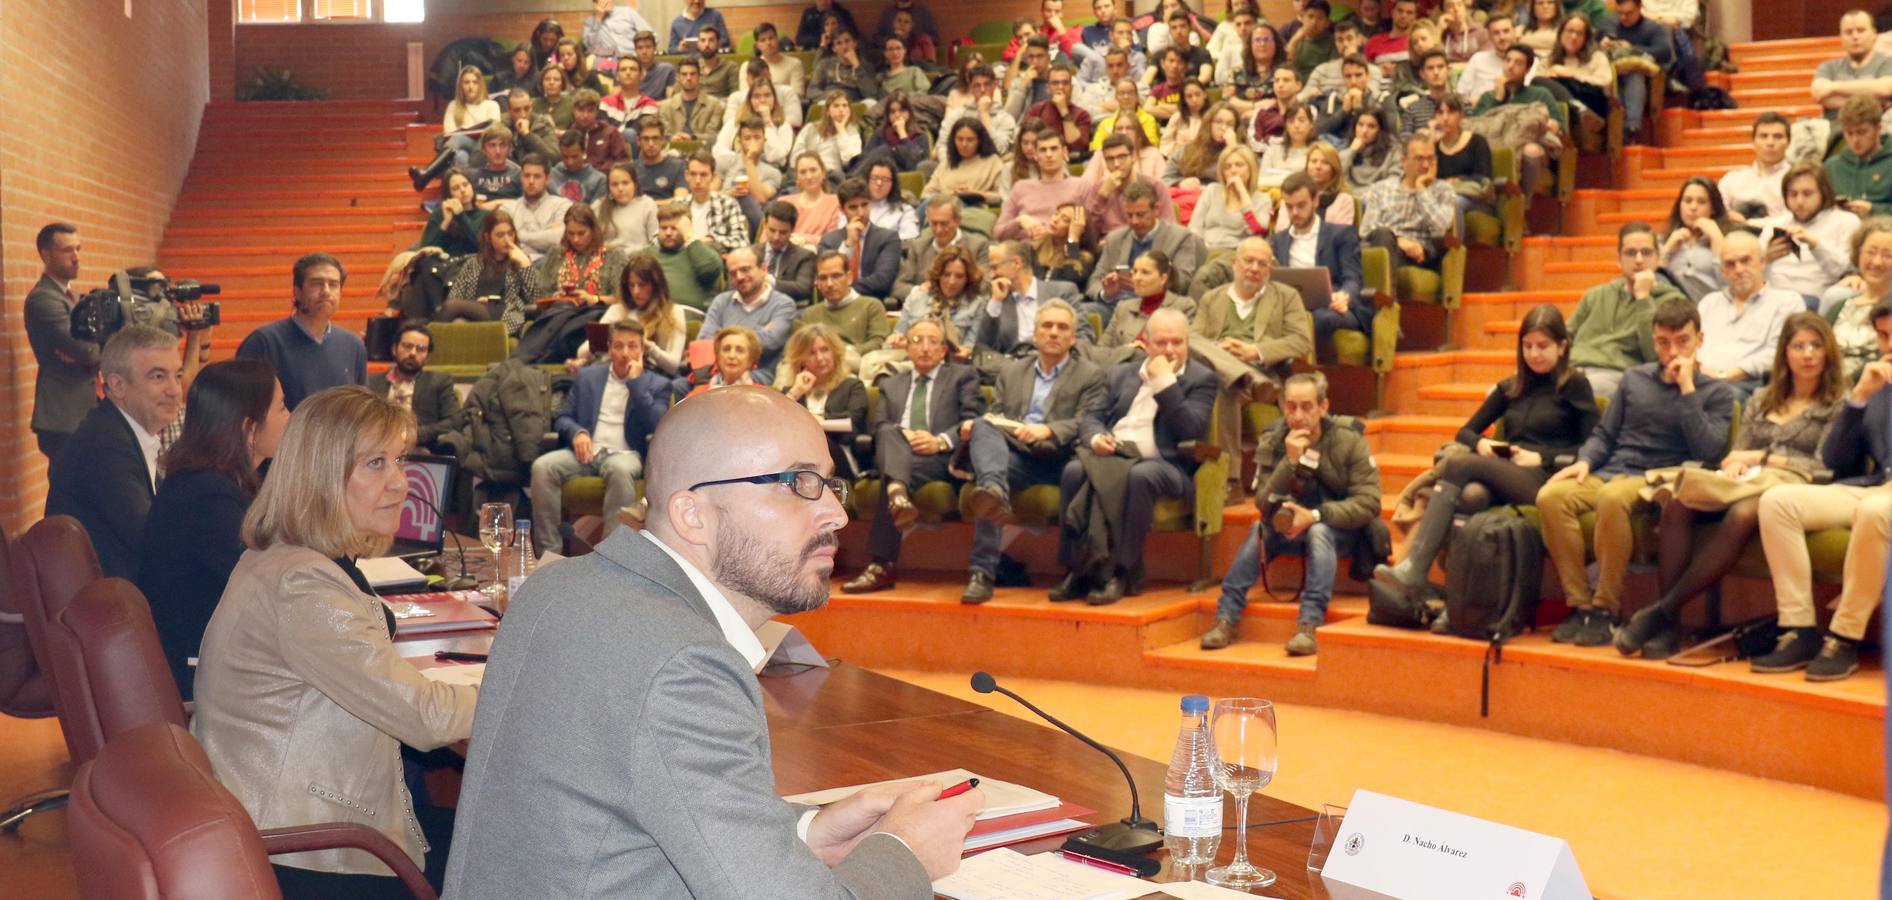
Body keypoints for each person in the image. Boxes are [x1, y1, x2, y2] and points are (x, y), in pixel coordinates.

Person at [451, 384, 987, 898]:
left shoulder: (558, 586)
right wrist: (905, 851)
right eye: (799, 483)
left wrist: (806, 832)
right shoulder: (684, 662)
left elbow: (627, 818)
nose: (837, 514)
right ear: (692, 514)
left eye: (830, 484)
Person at [192, 386, 479, 898]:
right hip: (310, 852)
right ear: (321, 477)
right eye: (374, 463)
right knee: (522, 851)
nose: (400, 481)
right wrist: (521, 686)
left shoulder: (284, 556)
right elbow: (428, 720)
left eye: (399, 460)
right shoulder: (303, 586)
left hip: (300, 821)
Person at [1618, 313, 1848, 659]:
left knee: (1741, 515)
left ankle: (1661, 612)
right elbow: (1736, 452)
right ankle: (1670, 625)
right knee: (1679, 502)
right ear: (1785, 352)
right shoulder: (1762, 398)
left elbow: (1824, 465)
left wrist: (1766, 459)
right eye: (1798, 346)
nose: (1808, 354)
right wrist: (1738, 461)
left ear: (1828, 351)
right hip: (1747, 479)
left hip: (1796, 485)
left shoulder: (1838, 403)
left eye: (1816, 346)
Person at [1536, 298, 1737, 646]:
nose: (1672, 350)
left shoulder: (1715, 392)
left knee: (1612, 498)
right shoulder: (1633, 378)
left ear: (1700, 339)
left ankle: (1605, 608)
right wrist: (1584, 461)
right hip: (1612, 468)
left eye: (1682, 341)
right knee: (1551, 496)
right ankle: (1579, 604)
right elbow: (1605, 434)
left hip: (1660, 478)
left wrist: (1687, 388)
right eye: (1663, 341)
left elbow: (1710, 450)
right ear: (1653, 339)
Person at [1372, 304, 1599, 601]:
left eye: (1543, 346)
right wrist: (1483, 445)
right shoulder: (1512, 386)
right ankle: (1462, 600)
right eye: (1527, 346)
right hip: (1507, 472)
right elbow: (1465, 432)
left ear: (1562, 346)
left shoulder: (1574, 385)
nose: (1534, 354)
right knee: (1470, 497)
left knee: (1457, 465)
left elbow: (1593, 446)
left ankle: (1415, 568)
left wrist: (1541, 458)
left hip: (1548, 477)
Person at [1753, 303, 1892, 681]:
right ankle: (1798, 629)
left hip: (1881, 503)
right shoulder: (1879, 384)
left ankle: (1844, 636)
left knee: (1875, 511)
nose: (1888, 346)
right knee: (1778, 502)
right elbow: (1834, 460)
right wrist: (1859, 399)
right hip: (1874, 487)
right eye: (1882, 336)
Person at [135, 359, 287, 701]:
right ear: (250, 429)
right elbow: (271, 590)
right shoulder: (207, 498)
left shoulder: (211, 484)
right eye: (281, 408)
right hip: (201, 683)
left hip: (217, 664)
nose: (290, 418)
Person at [1205, 371, 1380, 654]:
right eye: (1291, 406)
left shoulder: (1349, 440)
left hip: (1336, 531)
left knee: (1320, 532)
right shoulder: (1274, 441)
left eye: (1307, 406)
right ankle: (1226, 617)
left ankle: (1309, 623)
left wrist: (1314, 516)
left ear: (1323, 407)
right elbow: (1262, 504)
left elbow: (1369, 502)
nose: (1298, 415)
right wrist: (1290, 461)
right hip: (1287, 527)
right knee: (1257, 529)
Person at [1051, 309, 1216, 604]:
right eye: (1161, 343)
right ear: (1146, 344)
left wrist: (1166, 383)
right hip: (1114, 454)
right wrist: (1096, 438)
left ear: (1187, 343)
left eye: (1177, 342)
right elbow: (1092, 417)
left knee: (1139, 475)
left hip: (1166, 465)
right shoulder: (1120, 373)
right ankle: (1077, 568)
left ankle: (1122, 571)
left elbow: (1189, 428)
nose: (1169, 350)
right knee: (1074, 471)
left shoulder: (1201, 379)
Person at [958, 302, 1107, 604]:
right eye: (1047, 326)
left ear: (1074, 338)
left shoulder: (1091, 375)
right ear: (1035, 334)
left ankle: (993, 487)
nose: (1053, 332)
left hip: (1060, 457)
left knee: (991, 474)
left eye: (1062, 327)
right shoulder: (1012, 372)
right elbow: (997, 414)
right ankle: (982, 573)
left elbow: (1088, 421)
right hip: (1016, 454)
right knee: (982, 427)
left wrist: (1049, 430)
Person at [841, 318, 983, 593]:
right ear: (907, 347)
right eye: (918, 340)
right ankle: (898, 493)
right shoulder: (891, 384)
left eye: (933, 341)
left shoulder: (962, 376)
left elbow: (973, 421)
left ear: (944, 350)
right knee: (888, 432)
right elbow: (880, 426)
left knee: (892, 472)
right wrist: (903, 436)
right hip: (900, 454)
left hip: (942, 459)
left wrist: (940, 441)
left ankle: (882, 563)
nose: (925, 347)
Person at [529, 320, 679, 553]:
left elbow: (658, 424)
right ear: (609, 348)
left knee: (620, 471)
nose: (625, 353)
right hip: (586, 452)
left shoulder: (659, 384)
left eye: (632, 347)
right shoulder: (588, 377)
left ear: (642, 350)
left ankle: (610, 557)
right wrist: (577, 433)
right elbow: (563, 417)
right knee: (542, 467)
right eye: (618, 346)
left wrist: (636, 384)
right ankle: (549, 554)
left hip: (626, 453)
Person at [45, 325, 180, 581]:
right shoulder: (104, 446)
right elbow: (153, 539)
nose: (174, 390)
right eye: (158, 377)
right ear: (117, 385)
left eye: (178, 375)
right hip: (106, 608)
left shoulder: (119, 431)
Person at [1190, 236, 1316, 455]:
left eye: (1262, 264)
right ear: (1234, 263)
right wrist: (1219, 351)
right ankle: (1238, 375)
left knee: (1220, 384)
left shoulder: (1287, 296)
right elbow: (1195, 341)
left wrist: (1255, 352)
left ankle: (1230, 479)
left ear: (1270, 270)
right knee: (1185, 337)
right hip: (1224, 373)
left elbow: (1301, 341)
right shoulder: (1212, 298)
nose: (1254, 268)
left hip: (1262, 373)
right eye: (1248, 261)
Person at [1566, 222, 1685, 400]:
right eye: (1630, 253)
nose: (1638, 260)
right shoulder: (1596, 295)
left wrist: (1643, 298)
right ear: (1619, 259)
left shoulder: (1671, 301)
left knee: (1577, 391)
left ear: (1658, 258)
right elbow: (1564, 337)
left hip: (1618, 376)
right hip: (1574, 369)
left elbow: (1655, 356)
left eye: (1646, 252)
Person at [235, 253, 366, 410]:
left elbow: (361, 412)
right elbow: (242, 409)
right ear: (297, 291)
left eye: (333, 284)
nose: (326, 291)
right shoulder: (263, 342)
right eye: (317, 284)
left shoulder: (353, 345)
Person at [1695, 232, 1806, 398]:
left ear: (1762, 263)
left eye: (1745, 261)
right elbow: (1692, 345)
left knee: (1717, 396)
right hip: (1701, 381)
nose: (1739, 270)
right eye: (1730, 264)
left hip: (1751, 385)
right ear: (1723, 271)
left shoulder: (1787, 302)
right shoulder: (1708, 303)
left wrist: (1724, 376)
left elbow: (1778, 353)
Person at [24, 223, 98, 458]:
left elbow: (90, 348)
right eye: (67, 250)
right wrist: (91, 351)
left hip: (85, 408)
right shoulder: (43, 299)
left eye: (78, 249)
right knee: (68, 488)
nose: (76, 257)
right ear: (46, 255)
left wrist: (92, 347)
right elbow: (87, 351)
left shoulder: (75, 298)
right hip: (63, 414)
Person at [864, 245, 988, 383]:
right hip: (910, 357)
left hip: (947, 366)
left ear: (968, 278)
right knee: (870, 364)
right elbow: (896, 336)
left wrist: (962, 352)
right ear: (938, 275)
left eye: (959, 276)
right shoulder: (918, 296)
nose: (951, 282)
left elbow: (970, 348)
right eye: (946, 274)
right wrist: (896, 341)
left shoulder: (977, 305)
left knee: (887, 374)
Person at [1271, 173, 1367, 350]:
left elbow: (1353, 278)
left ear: (1315, 201)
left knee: (1322, 317)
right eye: (1289, 207)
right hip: (1291, 308)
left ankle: (1303, 367)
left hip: (1333, 307)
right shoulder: (1278, 240)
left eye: (1301, 205)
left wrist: (1344, 296)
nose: (1295, 213)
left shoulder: (1341, 234)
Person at [778, 324, 871, 478]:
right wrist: (796, 391)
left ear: (835, 352)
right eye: (811, 353)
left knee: (815, 440)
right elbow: (776, 423)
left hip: (840, 457)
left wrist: (816, 422)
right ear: (800, 359)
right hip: (796, 461)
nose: (820, 358)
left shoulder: (851, 386)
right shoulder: (793, 391)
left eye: (825, 350)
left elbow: (853, 422)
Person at [1088, 182, 1204, 306]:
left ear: (1156, 209)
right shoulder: (1115, 239)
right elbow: (1094, 280)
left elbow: (1183, 282)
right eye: (1129, 215)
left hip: (1159, 305)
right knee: (1083, 313)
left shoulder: (1180, 237)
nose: (1134, 221)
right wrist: (1106, 293)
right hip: (1116, 303)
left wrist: (1152, 282)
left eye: (1140, 215)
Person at [1474, 45, 1566, 194]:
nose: (1510, 66)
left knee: (1531, 150)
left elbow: (1559, 126)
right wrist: (1498, 99)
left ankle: (1523, 203)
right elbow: (1476, 128)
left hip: (1528, 146)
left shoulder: (1540, 94)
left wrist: (1545, 124)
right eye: (1508, 61)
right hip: (1495, 146)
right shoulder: (1488, 97)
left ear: (1527, 70)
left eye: (1518, 63)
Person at [1765, 161, 1862, 302]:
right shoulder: (1776, 224)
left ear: (1823, 193)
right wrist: (1765, 258)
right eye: (1793, 194)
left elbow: (1849, 270)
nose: (1799, 201)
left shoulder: (1846, 221)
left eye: (1807, 194)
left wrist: (1816, 246)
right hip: (1773, 297)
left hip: (1814, 301)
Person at [579, 254, 691, 376]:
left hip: (653, 376)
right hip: (613, 372)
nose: (636, 291)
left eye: (642, 285)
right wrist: (605, 339)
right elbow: (581, 352)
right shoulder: (618, 310)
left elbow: (673, 365)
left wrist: (650, 349)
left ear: (655, 285)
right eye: (631, 285)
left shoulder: (674, 312)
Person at [976, 241, 1090, 359]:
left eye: (995, 267)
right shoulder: (996, 300)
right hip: (1013, 368)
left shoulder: (1062, 292)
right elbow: (985, 348)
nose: (991, 275)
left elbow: (1083, 336)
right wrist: (996, 302)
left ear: (1016, 263)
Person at [1357, 135, 1456, 269]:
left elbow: (1442, 226)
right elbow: (1365, 230)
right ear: (1403, 161)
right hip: (1386, 246)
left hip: (1419, 257)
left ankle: (1383, 288)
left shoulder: (1443, 190)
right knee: (1382, 235)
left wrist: (1421, 190)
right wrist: (1399, 240)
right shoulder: (1381, 189)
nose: (1426, 165)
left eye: (1431, 158)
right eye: (1419, 159)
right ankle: (1384, 288)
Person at [432, 211, 537, 335]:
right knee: (458, 324)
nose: (507, 240)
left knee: (451, 306)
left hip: (504, 313)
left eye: (510, 234)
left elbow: (535, 299)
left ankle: (429, 342)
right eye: (500, 235)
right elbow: (455, 295)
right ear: (488, 237)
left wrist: (525, 264)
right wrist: (474, 303)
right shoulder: (474, 263)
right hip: (474, 311)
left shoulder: (520, 261)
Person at [702, 246, 798, 373]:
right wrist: (760, 332)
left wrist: (722, 337)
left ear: (763, 269)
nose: (739, 277)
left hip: (759, 376)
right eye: (733, 273)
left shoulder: (783, 304)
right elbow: (704, 340)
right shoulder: (721, 301)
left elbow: (771, 341)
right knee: (679, 386)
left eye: (745, 270)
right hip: (720, 371)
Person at [368, 324, 459, 454]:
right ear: (394, 349)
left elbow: (453, 421)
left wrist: (416, 434)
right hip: (377, 447)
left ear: (427, 356)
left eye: (421, 349)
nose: (412, 353)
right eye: (407, 346)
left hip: (419, 451)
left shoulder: (439, 382)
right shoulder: (372, 382)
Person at [1096, 251, 1197, 364]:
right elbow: (1101, 349)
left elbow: (1183, 350)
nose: (1137, 278)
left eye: (1145, 273)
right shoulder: (1123, 307)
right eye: (1134, 272)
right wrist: (1129, 350)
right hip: (1118, 371)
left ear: (1163, 278)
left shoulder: (1183, 306)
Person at [414, 65, 502, 191]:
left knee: (459, 138)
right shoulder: (453, 106)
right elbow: (449, 133)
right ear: (460, 86)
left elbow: (494, 131)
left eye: (474, 82)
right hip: (459, 148)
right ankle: (469, 193)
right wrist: (468, 131)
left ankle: (427, 173)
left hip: (483, 148)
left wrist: (465, 130)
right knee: (460, 156)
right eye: (466, 82)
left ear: (480, 85)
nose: (470, 86)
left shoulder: (491, 105)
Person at [994, 131, 1093, 243]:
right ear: (1035, 155)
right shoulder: (1020, 187)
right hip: (1024, 251)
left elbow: (1090, 234)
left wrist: (1055, 235)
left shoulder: (1082, 186)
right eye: (1043, 150)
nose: (1049, 155)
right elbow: (998, 233)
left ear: (1064, 152)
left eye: (1054, 149)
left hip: (1062, 252)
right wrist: (1019, 222)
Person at [799, 251, 892, 368]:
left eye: (836, 276)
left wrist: (842, 351)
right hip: (818, 367)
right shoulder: (810, 314)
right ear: (817, 283)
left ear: (849, 278)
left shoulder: (871, 305)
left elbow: (879, 343)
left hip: (856, 364)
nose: (829, 284)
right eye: (823, 278)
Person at [894, 197, 990, 305]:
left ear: (958, 221)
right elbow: (898, 286)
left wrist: (950, 289)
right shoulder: (918, 247)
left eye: (944, 224)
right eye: (933, 223)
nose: (938, 230)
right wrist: (919, 290)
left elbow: (985, 285)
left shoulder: (977, 246)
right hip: (925, 309)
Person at [1829, 219, 1892, 380]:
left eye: (1888, 255)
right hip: (1825, 389)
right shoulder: (1839, 305)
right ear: (1858, 253)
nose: (1876, 262)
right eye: (1871, 252)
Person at [1661, 176, 1733, 302]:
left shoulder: (1728, 239)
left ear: (1713, 208)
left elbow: (1729, 284)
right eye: (1688, 201)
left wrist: (1716, 237)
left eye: (1701, 202)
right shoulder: (1666, 240)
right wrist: (1667, 250)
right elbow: (1654, 282)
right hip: (1674, 313)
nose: (1693, 207)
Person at [1814, 10, 1892, 118]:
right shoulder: (1828, 67)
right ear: (1840, 37)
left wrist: (1833, 87)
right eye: (1848, 32)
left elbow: (1884, 88)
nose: (1855, 37)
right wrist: (1875, 102)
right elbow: (1819, 94)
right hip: (1835, 131)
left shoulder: (1888, 63)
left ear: (1874, 34)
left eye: (1861, 31)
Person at [1824, 96, 1892, 219]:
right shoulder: (1832, 167)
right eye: (1849, 133)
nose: (1855, 140)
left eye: (1862, 132)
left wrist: (1874, 210)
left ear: (1879, 128)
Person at [1718, 112, 1792, 222]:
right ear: (1753, 142)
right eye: (1763, 136)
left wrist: (1749, 223)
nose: (1770, 142)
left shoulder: (1795, 179)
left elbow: (1794, 219)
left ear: (1788, 142)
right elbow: (1716, 213)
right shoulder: (1732, 179)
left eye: (1778, 136)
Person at [654, 201, 727, 312]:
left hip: (691, 316)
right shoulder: (648, 253)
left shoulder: (704, 250)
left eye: (674, 228)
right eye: (663, 228)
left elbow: (710, 270)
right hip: (653, 313)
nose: (668, 233)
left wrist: (690, 238)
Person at [506, 153, 575, 262]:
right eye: (527, 176)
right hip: (515, 266)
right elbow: (504, 243)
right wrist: (545, 236)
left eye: (537, 176)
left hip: (551, 266)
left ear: (547, 179)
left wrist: (517, 235)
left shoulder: (563, 205)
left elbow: (559, 238)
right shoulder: (508, 209)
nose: (531, 181)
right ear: (521, 177)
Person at [715, 80, 795, 170]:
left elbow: (775, 156)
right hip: (737, 169)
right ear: (750, 100)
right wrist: (744, 159)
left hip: (769, 173)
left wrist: (767, 122)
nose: (762, 100)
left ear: (774, 99)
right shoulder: (735, 122)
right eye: (757, 96)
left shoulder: (783, 125)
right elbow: (718, 151)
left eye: (767, 95)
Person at [756, 201, 820, 305]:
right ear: (765, 225)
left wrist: (768, 281)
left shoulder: (804, 256)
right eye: (772, 230)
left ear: (792, 229)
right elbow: (732, 287)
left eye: (783, 232)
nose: (776, 237)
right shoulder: (750, 254)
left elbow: (803, 289)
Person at [794, 91, 865, 179]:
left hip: (834, 175)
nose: (841, 109)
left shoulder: (852, 132)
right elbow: (796, 154)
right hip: (810, 172)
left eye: (845, 105)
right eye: (836, 106)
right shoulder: (811, 128)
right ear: (828, 110)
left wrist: (841, 130)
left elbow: (852, 161)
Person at [688, 326, 772, 396]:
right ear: (718, 356)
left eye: (739, 350)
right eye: (726, 349)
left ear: (750, 359)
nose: (732, 356)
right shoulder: (698, 394)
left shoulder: (761, 396)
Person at [658, 58, 727, 142]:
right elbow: (664, 134)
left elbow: (713, 135)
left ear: (699, 76)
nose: (688, 78)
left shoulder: (714, 104)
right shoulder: (666, 107)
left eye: (692, 74)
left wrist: (693, 137)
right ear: (678, 77)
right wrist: (672, 138)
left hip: (703, 152)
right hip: (673, 150)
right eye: (684, 74)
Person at [595, 162, 660, 253]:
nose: (620, 189)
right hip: (606, 260)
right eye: (614, 184)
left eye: (625, 183)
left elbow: (655, 243)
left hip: (638, 261)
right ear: (609, 188)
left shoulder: (647, 205)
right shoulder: (598, 206)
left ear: (635, 185)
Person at [784, 153, 845, 246]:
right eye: (803, 172)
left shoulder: (836, 202)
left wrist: (804, 239)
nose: (809, 176)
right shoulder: (784, 202)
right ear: (797, 177)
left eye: (813, 170)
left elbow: (834, 238)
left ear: (823, 173)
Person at [1457, 13, 1517, 103]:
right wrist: (1472, 101)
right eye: (1496, 33)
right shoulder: (1478, 59)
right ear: (1489, 36)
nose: (1502, 37)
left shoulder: (1528, 61)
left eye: (1506, 31)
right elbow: (1460, 94)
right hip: (1480, 111)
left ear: (1514, 33)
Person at [865, 94, 931, 175]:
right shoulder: (880, 133)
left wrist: (902, 134)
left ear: (909, 113)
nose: (897, 115)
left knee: (885, 150)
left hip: (905, 177)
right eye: (892, 112)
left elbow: (918, 164)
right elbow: (866, 158)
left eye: (902, 110)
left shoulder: (920, 136)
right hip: (878, 176)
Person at [811, 26, 879, 103]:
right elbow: (812, 91)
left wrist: (857, 67)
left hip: (855, 103)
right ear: (834, 48)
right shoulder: (825, 64)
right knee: (821, 103)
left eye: (847, 41)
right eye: (839, 43)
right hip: (831, 102)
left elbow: (872, 93)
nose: (844, 46)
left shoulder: (866, 65)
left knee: (871, 102)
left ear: (854, 43)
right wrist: (832, 98)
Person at [1339, 108, 1402, 189]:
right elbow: (1337, 177)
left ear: (1380, 130)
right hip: (1350, 197)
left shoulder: (1394, 150)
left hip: (1378, 196)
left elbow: (1394, 181)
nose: (1364, 131)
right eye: (1360, 125)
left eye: (1371, 126)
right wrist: (1351, 151)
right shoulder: (1347, 149)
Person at [747, 22, 809, 100]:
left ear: (777, 39)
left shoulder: (795, 64)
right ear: (757, 45)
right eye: (763, 40)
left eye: (771, 38)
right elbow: (745, 96)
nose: (768, 43)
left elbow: (798, 95)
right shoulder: (748, 66)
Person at [633, 118, 688, 201]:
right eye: (646, 139)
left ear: (663, 140)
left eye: (655, 138)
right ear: (638, 141)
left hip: (668, 213)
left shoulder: (678, 166)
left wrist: (648, 206)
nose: (651, 144)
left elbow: (681, 200)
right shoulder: (630, 169)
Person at [583, 0, 654, 61]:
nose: (607, 1)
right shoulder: (590, 22)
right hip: (609, 61)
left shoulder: (628, 12)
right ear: (595, 3)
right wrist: (598, 19)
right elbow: (589, 47)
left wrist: (643, 52)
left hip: (633, 57)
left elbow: (652, 35)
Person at [552, 130, 609, 204]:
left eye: (574, 157)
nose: (570, 162)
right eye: (565, 157)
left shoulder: (599, 180)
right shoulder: (552, 174)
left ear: (584, 152)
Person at [470, 125, 525, 202]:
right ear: (483, 149)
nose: (498, 151)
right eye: (492, 145)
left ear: (510, 149)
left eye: (503, 145)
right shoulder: (472, 176)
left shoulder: (519, 175)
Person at [1286, 0, 1337, 81]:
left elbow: (1332, 72)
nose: (1314, 22)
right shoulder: (1295, 39)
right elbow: (1286, 67)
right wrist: (1293, 42)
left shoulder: (1333, 42)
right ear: (1302, 18)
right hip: (1295, 85)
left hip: (1320, 85)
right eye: (1310, 16)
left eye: (1320, 18)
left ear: (1327, 22)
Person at [633, 31, 678, 100]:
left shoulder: (667, 69)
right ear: (635, 50)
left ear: (655, 48)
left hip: (659, 109)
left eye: (648, 47)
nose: (644, 52)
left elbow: (671, 101)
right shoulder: (627, 70)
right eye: (640, 48)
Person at [533, 64, 576, 132]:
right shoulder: (534, 104)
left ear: (562, 83)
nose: (551, 83)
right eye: (547, 79)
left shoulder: (571, 104)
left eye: (556, 79)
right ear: (542, 82)